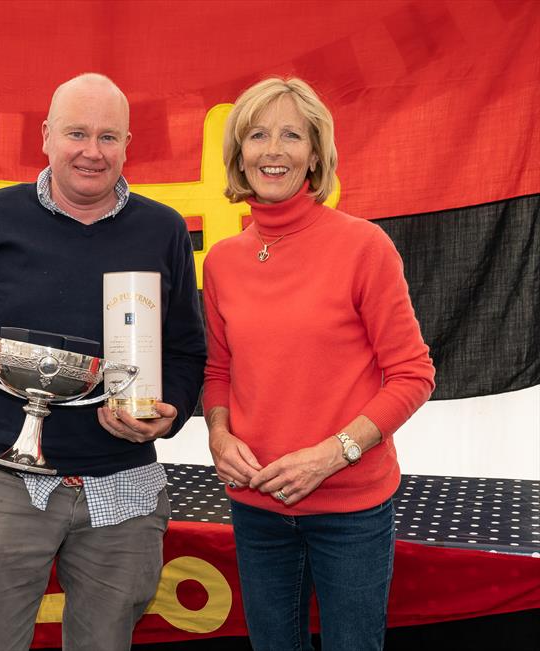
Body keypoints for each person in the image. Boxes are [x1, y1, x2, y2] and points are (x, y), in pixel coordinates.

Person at [0, 73, 205, 651]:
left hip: (122, 488)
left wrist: (167, 413)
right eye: (77, 133)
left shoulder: (164, 228)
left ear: (129, 145)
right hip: (3, 482)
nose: (92, 152)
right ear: (46, 136)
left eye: (108, 137)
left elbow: (185, 350)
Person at [202, 77, 435, 651]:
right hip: (256, 508)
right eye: (257, 135)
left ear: (315, 155)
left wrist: (334, 453)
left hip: (351, 511)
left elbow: (413, 374)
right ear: (239, 153)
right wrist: (218, 433)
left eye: (291, 135)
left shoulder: (364, 247)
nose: (273, 150)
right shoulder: (223, 262)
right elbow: (217, 373)